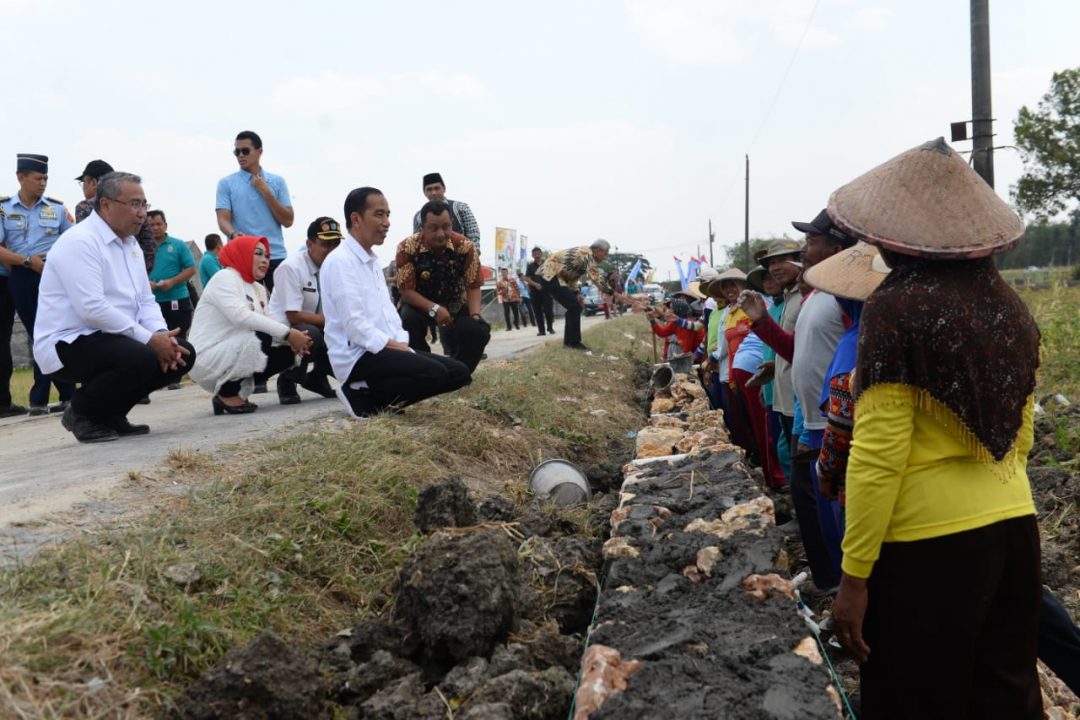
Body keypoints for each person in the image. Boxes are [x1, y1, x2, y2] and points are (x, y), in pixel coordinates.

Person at [827, 138, 1042, 719]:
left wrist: (854, 578)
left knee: (915, 696)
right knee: (1007, 691)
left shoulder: (896, 309)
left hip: (929, 547)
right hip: (1015, 526)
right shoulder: (1011, 307)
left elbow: (877, 457)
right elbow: (1021, 436)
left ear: (892, 241)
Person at [33, 171, 195, 443]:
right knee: (141, 357)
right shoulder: (81, 241)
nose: (142, 213)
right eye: (134, 204)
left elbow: (145, 300)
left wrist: (162, 335)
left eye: (144, 204)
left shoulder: (130, 245)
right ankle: (81, 413)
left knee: (182, 355)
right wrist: (149, 339)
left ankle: (111, 414)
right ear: (106, 205)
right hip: (69, 341)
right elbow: (92, 309)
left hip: (114, 339)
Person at [322, 187, 471, 417]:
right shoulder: (340, 262)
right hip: (359, 356)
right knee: (435, 373)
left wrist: (403, 345)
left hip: (386, 349)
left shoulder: (371, 260)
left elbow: (388, 314)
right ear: (356, 219)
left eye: (388, 215)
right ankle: (360, 395)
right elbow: (356, 328)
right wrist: (398, 348)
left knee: (459, 372)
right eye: (379, 215)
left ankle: (384, 397)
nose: (387, 222)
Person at [188, 235, 312, 415]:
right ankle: (227, 392)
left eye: (267, 256)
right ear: (242, 253)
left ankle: (234, 392)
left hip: (234, 350)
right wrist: (288, 334)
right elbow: (241, 317)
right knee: (262, 337)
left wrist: (293, 342)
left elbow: (267, 323)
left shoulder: (258, 288)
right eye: (258, 254)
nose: (264, 260)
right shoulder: (225, 277)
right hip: (206, 357)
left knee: (286, 352)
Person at [0, 154, 76, 416]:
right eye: (38, 178)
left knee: (56, 331)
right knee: (38, 333)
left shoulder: (56, 209)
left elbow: (75, 240)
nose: (43, 183)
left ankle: (44, 398)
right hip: (21, 274)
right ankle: (57, 395)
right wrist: (26, 262)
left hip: (53, 274)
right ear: (21, 178)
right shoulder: (4, 209)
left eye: (45, 178)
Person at [395, 200, 490, 373]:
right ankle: (424, 373)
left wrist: (475, 315)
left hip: (454, 302)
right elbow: (406, 291)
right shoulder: (406, 248)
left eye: (446, 227)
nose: (441, 234)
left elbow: (473, 285)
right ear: (422, 226)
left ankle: (460, 373)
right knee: (408, 322)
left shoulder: (465, 246)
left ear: (452, 224)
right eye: (433, 228)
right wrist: (434, 309)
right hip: (419, 304)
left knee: (476, 329)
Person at [265, 217, 342, 404]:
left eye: (336, 244)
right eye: (326, 244)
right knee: (313, 334)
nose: (332, 250)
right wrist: (333, 322)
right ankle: (287, 380)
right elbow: (292, 315)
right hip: (284, 331)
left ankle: (317, 378)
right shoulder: (290, 267)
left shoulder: (334, 267)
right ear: (310, 244)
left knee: (345, 339)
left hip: (319, 323)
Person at [215, 130, 294, 291]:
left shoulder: (277, 182)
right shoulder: (226, 183)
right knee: (245, 310)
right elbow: (223, 219)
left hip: (274, 255)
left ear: (259, 151)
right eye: (237, 152)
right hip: (241, 257)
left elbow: (288, 221)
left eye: (245, 151)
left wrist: (266, 192)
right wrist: (232, 234)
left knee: (282, 312)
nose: (240, 156)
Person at [539, 239, 633, 351]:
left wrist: (576, 292)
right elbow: (596, 277)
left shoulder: (585, 255)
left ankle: (570, 343)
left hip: (557, 277)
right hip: (550, 274)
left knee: (574, 307)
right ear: (598, 250)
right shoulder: (587, 255)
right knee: (574, 307)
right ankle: (573, 343)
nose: (605, 257)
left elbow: (572, 275)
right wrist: (616, 295)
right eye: (605, 253)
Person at [146, 210, 196, 340]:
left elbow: (191, 269)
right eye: (151, 225)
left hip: (177, 301)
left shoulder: (178, 245)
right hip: (151, 303)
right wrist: (145, 283)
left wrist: (172, 282)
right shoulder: (141, 247)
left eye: (158, 224)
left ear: (165, 225)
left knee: (178, 340)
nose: (155, 228)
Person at [411, 173, 481, 254]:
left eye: (437, 188)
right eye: (429, 189)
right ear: (425, 193)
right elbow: (417, 241)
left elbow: (473, 233)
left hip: (462, 257)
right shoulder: (418, 216)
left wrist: (473, 255)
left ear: (444, 189)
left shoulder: (460, 207)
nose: (433, 192)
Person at [523, 246, 555, 335]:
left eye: (538, 253)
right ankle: (541, 330)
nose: (536, 255)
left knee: (549, 311)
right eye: (534, 254)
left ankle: (550, 327)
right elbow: (527, 278)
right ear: (532, 255)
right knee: (537, 312)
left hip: (547, 292)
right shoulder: (530, 266)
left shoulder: (547, 264)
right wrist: (535, 284)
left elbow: (552, 276)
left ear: (541, 254)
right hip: (534, 292)